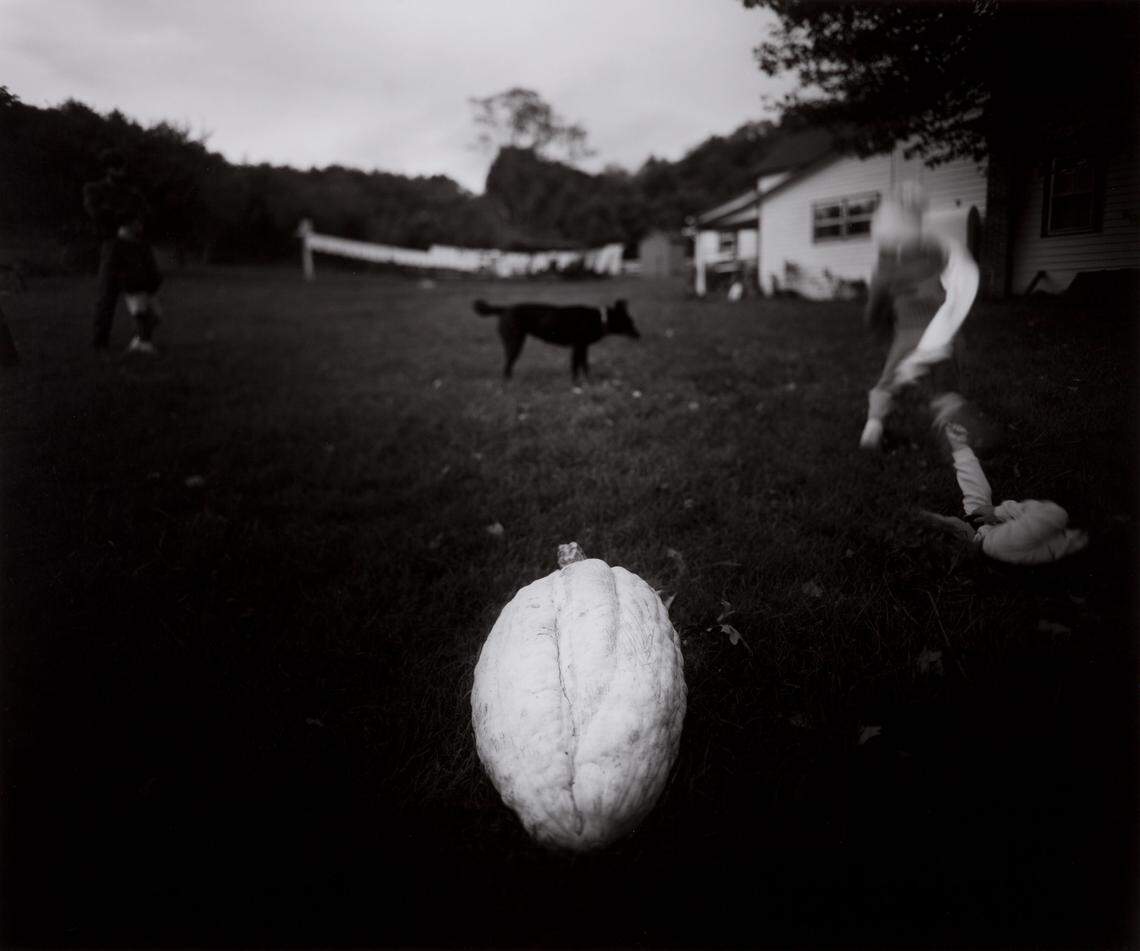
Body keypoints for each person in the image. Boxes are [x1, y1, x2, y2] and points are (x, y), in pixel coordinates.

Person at [858, 182, 983, 451]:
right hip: (943, 337)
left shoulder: (885, 268)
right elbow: (955, 280)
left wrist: (874, 322)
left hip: (907, 338)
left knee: (888, 384)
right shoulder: (935, 254)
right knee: (943, 388)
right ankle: (957, 437)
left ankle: (873, 426)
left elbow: (875, 306)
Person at [920, 422, 1088, 564]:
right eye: (947, 519)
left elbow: (976, 494)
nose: (955, 518)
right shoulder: (997, 545)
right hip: (1085, 540)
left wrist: (960, 447)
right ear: (957, 534)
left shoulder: (980, 539)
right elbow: (1054, 515)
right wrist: (998, 512)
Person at [83, 150, 151, 350]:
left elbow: (144, 215)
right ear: (107, 169)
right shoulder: (94, 189)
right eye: (116, 167)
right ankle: (100, 340)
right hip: (112, 244)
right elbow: (96, 214)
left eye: (122, 167)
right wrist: (123, 216)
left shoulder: (132, 193)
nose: (121, 172)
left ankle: (143, 340)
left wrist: (120, 216)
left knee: (140, 294)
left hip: (133, 246)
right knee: (106, 295)